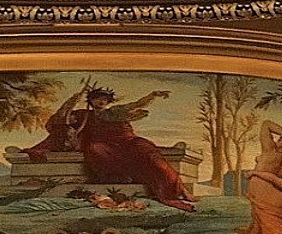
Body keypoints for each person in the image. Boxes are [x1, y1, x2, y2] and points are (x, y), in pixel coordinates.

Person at [26, 85, 197, 211]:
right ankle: (120, 177)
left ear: (108, 102)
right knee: (95, 148)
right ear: (91, 101)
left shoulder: (116, 111)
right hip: (104, 145)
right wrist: (73, 99)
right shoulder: (83, 115)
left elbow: (136, 104)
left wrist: (153, 94)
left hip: (128, 142)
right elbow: (60, 119)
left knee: (150, 154)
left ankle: (178, 190)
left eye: (104, 99)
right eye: (97, 99)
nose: (100, 102)